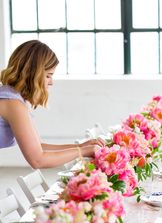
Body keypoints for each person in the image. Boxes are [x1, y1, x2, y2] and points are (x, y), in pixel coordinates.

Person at [0, 40, 103, 168]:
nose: (51, 82)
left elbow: (39, 146)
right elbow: (38, 160)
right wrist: (83, 151)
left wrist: (80, 147)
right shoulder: (13, 104)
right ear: (33, 74)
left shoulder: (14, 97)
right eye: (48, 75)